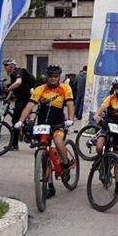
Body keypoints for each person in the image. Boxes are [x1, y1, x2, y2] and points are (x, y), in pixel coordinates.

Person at [14, 65, 75, 198]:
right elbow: (30, 105)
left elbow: (70, 103)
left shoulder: (65, 88)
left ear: (59, 77)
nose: (53, 79)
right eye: (51, 77)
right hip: (43, 125)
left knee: (58, 142)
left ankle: (65, 164)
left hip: (58, 123)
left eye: (56, 77)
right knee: (42, 153)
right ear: (47, 77)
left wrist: (71, 119)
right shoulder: (40, 89)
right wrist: (21, 120)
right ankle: (50, 185)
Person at [92, 75, 118, 200]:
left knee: (117, 159)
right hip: (108, 126)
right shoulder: (110, 98)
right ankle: (100, 162)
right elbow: (102, 108)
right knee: (99, 147)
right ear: (114, 88)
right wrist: (97, 115)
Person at [3, 58, 35, 150]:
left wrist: (8, 88)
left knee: (15, 121)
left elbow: (18, 83)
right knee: (18, 121)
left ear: (11, 66)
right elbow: (13, 89)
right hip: (21, 99)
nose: (5, 68)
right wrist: (7, 98)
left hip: (24, 99)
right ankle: (25, 134)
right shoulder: (13, 75)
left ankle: (15, 144)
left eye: (6, 66)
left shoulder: (18, 72)